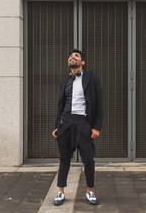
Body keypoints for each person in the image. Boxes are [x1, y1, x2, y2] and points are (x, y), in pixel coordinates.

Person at [52, 48, 102, 206]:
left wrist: (96, 127)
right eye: (71, 56)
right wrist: (57, 126)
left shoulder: (91, 78)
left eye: (76, 56)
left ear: (82, 62)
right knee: (64, 159)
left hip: (84, 122)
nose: (72, 57)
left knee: (88, 159)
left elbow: (99, 104)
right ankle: (60, 191)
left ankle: (90, 191)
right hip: (66, 122)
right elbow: (60, 105)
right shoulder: (64, 81)